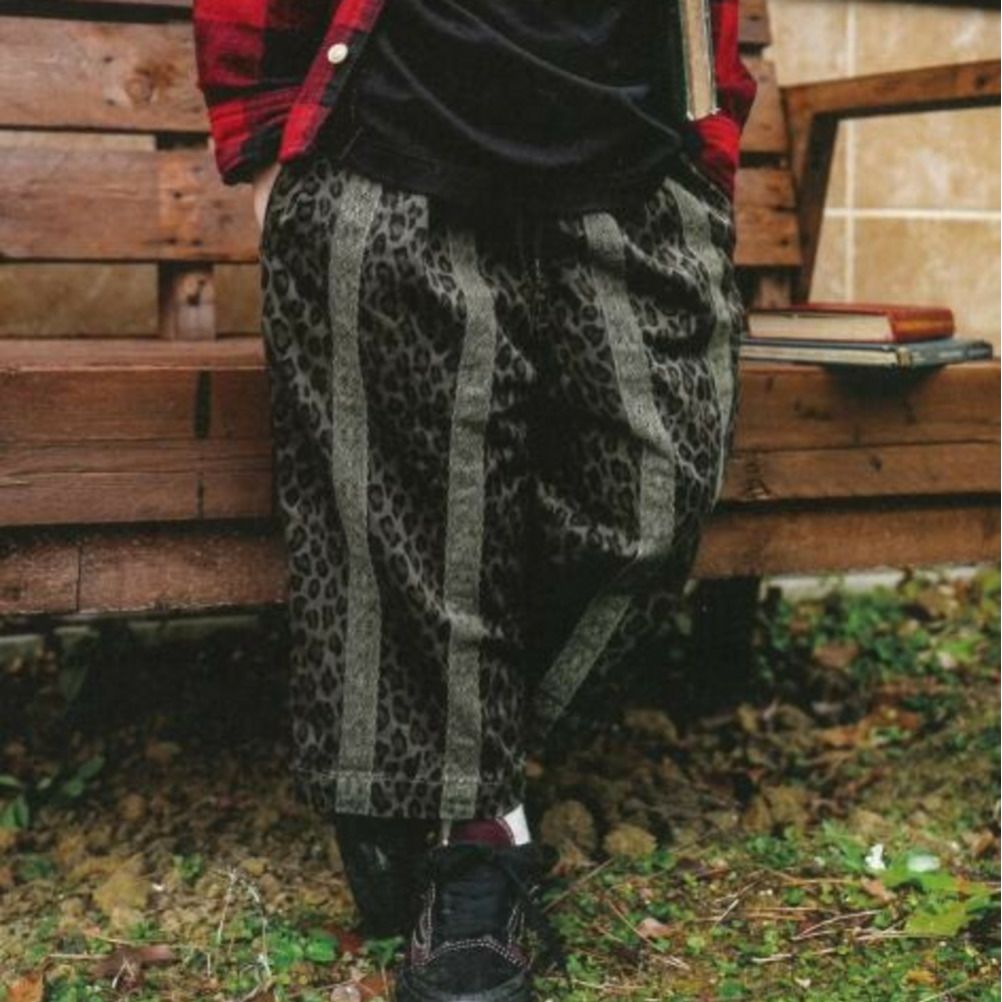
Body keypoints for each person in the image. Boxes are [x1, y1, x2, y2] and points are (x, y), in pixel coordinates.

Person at [193, 1, 757, 998]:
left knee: (651, 501)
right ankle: (475, 841)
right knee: (417, 518)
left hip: (631, 159)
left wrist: (707, 145)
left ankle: (394, 775)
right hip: (388, 147)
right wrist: (268, 138)